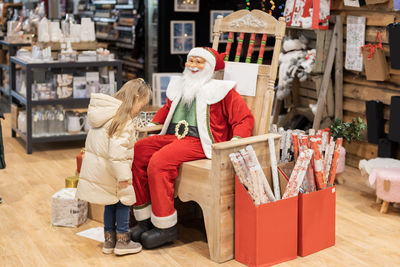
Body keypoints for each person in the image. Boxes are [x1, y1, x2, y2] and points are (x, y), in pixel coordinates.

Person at [130, 47, 254, 249]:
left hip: (200, 141)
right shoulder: (180, 86)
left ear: (210, 67)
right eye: (191, 61)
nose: (194, 66)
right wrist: (152, 125)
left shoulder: (222, 91)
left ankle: (165, 226)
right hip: (173, 136)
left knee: (159, 163)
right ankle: (144, 219)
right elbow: (168, 110)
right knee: (139, 150)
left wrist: (237, 140)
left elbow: (243, 118)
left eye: (199, 62)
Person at [76, 79, 151, 255]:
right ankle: (123, 242)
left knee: (110, 204)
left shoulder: (106, 114)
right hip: (115, 171)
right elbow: (117, 153)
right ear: (136, 97)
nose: (140, 109)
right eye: (141, 104)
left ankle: (109, 241)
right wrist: (124, 177)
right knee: (124, 203)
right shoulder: (123, 121)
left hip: (101, 169)